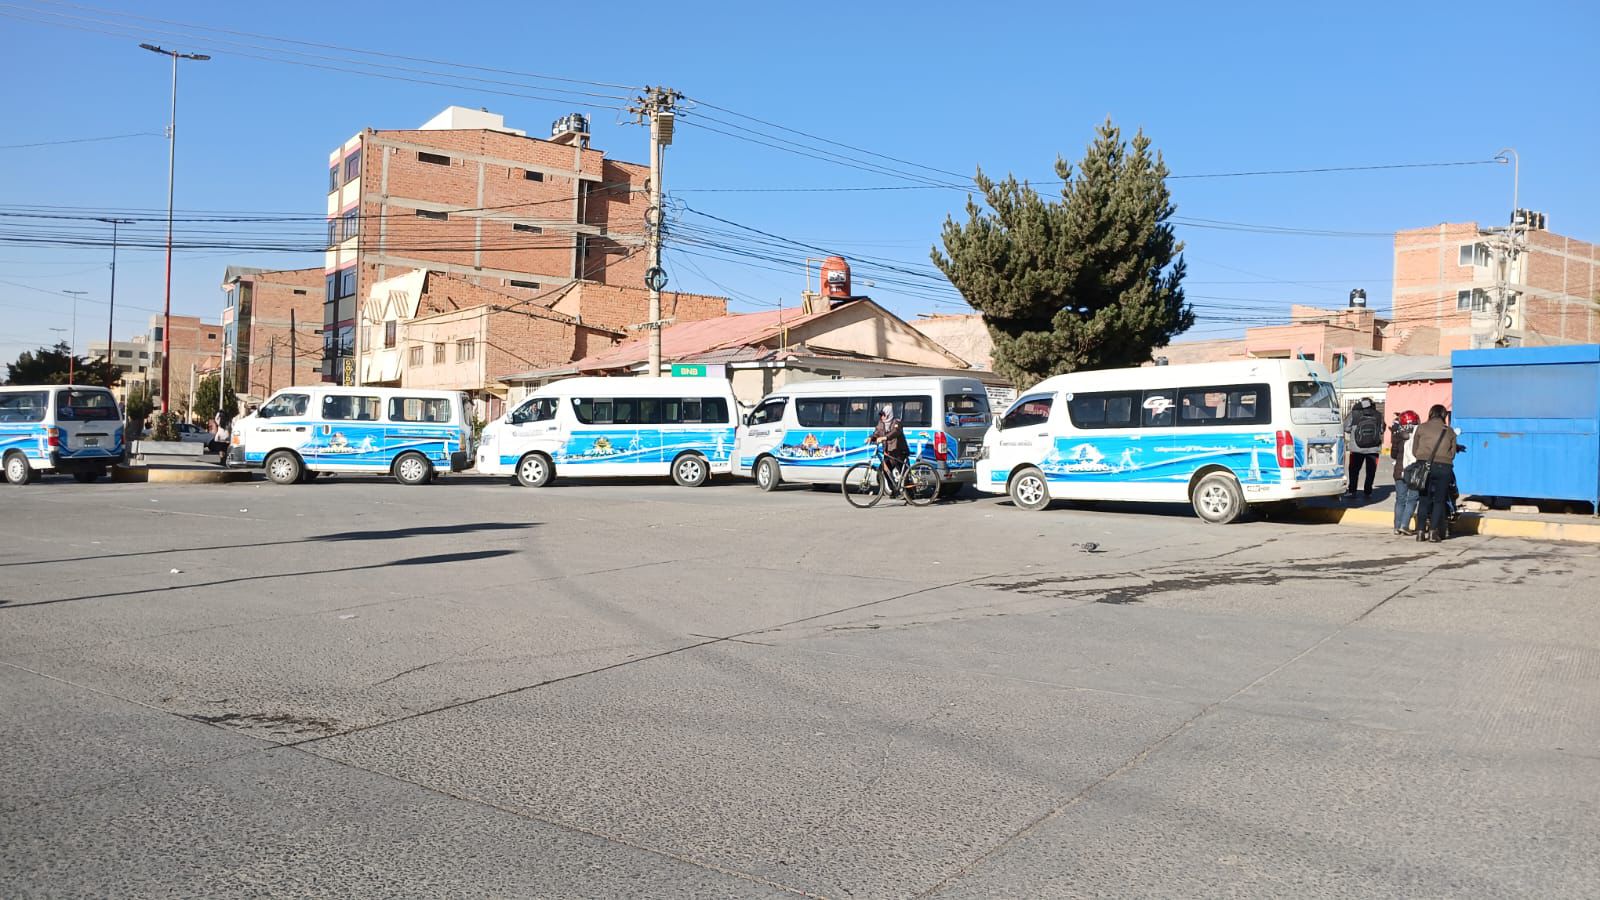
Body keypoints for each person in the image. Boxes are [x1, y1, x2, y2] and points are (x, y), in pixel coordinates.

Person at [1411, 404, 1463, 543]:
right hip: (1444, 468)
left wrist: (1423, 458)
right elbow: (1452, 454)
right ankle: (1434, 532)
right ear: (1444, 415)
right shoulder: (1449, 431)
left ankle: (1420, 532)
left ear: (1431, 413)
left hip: (1423, 466)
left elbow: (1414, 450)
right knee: (1439, 500)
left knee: (1423, 499)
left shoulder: (1421, 427)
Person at [1343, 397, 1383, 500]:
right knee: (1371, 471)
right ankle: (1368, 492)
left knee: (1354, 470)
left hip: (1357, 448)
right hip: (1374, 449)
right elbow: (1382, 429)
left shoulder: (1354, 414)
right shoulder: (1378, 415)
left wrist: (1353, 430)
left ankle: (1352, 491)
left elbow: (1346, 427)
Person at [1390, 410, 1421, 536]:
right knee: (1412, 498)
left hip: (1399, 470)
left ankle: (1397, 527)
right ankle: (1405, 525)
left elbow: (1393, 454)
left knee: (1400, 499)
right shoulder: (1419, 434)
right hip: (1413, 471)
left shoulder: (1397, 434)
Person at [868, 403, 911, 491]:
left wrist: (885, 437)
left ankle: (910, 493)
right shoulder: (881, 423)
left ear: (888, 414)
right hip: (888, 452)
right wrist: (871, 438)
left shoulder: (896, 422)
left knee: (903, 473)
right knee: (885, 470)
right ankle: (893, 490)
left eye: (883, 415)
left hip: (899, 451)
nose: (881, 417)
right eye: (880, 415)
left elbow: (896, 432)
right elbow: (876, 433)